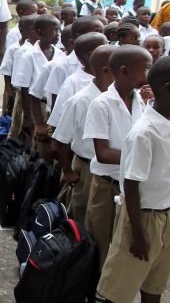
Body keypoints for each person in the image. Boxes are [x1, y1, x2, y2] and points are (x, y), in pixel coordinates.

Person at [96, 56, 170, 303]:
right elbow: (131, 184)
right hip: (142, 217)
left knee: (155, 284)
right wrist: (138, 235)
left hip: (167, 214)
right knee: (119, 289)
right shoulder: (144, 133)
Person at [83, 45, 151, 269]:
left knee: (124, 244)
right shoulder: (101, 104)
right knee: (100, 242)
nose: (148, 74)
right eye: (145, 69)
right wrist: (141, 159)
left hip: (131, 187)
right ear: (124, 71)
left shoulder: (142, 101)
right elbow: (103, 154)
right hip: (107, 185)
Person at [53, 45, 115, 225]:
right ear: (107, 70)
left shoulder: (123, 98)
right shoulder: (81, 100)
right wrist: (67, 170)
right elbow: (60, 139)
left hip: (112, 173)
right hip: (85, 168)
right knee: (82, 215)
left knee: (104, 220)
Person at [13, 15, 62, 161]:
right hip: (36, 104)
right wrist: (28, 117)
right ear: (39, 33)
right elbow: (25, 88)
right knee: (37, 141)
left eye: (58, 29)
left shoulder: (60, 54)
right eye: (53, 30)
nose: (58, 33)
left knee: (50, 142)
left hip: (53, 104)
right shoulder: (29, 55)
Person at [47, 32, 108, 129]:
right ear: (91, 55)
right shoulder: (73, 82)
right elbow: (58, 121)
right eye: (106, 46)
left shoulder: (111, 78)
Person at [44, 16, 105, 107]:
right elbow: (55, 100)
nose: (101, 36)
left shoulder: (105, 64)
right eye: (97, 31)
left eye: (102, 32)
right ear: (78, 37)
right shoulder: (61, 66)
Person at [7, 14, 38, 139]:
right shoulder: (23, 51)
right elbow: (20, 83)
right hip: (25, 97)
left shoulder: (52, 51)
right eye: (33, 28)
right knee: (20, 129)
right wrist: (10, 93)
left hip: (38, 99)